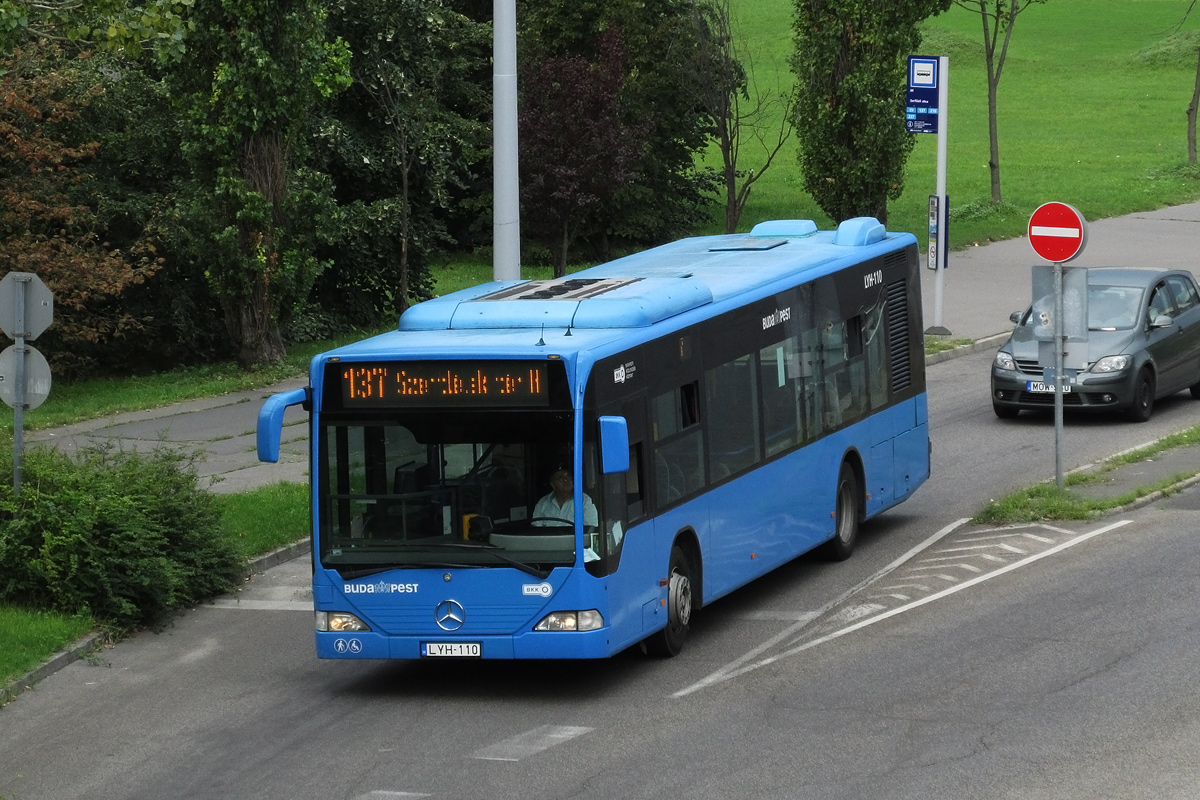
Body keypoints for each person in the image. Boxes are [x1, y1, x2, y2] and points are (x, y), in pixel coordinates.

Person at [532, 467, 598, 528]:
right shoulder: (543, 503)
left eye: (568, 476)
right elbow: (536, 528)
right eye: (560, 478)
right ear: (553, 484)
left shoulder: (584, 500)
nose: (566, 480)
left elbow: (591, 528)